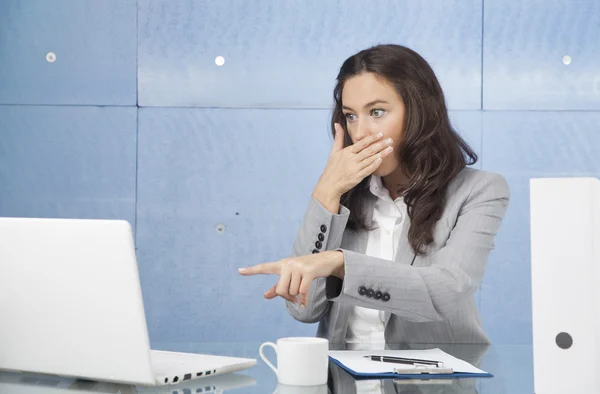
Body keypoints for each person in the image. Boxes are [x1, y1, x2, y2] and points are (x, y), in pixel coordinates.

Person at [239, 44, 509, 345]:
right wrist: (326, 192)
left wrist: (340, 264)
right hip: (344, 379)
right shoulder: (341, 194)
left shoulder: (479, 190)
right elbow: (304, 309)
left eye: (377, 112)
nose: (362, 132)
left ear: (419, 112)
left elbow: (443, 293)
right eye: (350, 116)